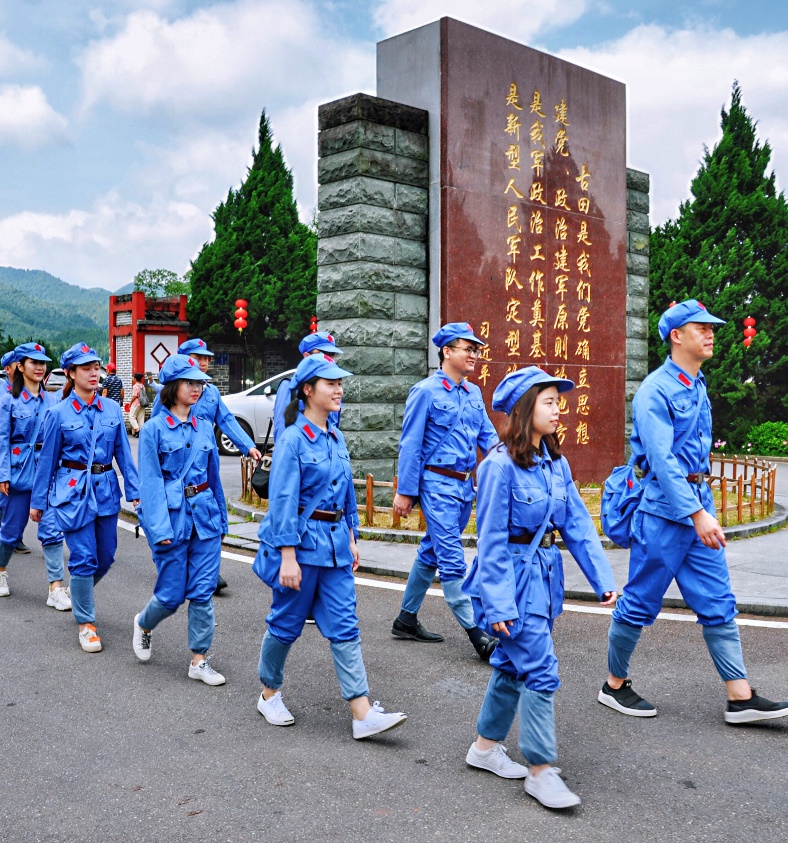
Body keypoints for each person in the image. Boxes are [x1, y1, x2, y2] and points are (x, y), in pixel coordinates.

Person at [600, 300, 788, 725]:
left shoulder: (696, 383)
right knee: (639, 603)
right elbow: (662, 460)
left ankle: (740, 697)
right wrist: (696, 515)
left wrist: (701, 508)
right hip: (662, 514)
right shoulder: (656, 390)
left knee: (717, 601)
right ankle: (614, 685)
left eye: (712, 328)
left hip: (696, 504)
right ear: (676, 336)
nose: (711, 334)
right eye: (701, 328)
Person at [462, 366, 618, 810]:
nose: (558, 410)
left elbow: (578, 525)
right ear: (526, 408)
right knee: (541, 670)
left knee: (513, 667)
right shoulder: (497, 466)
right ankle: (540, 770)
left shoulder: (556, 462)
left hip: (545, 581)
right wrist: (497, 603)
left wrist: (603, 579)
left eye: (558, 401)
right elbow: (489, 541)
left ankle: (484, 749)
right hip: (511, 583)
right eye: (549, 402)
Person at [252, 354, 407, 739]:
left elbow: (347, 494)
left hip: (335, 545)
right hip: (302, 548)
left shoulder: (335, 437)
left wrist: (352, 537)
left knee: (344, 626)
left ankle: (362, 712)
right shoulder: (292, 440)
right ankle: (269, 693)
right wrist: (287, 556)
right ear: (307, 390)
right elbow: (284, 501)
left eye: (340, 383)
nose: (339, 389)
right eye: (330, 383)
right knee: (285, 625)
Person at [391, 322, 501, 658]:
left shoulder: (473, 393)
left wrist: (514, 466)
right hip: (437, 485)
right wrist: (405, 491)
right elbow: (410, 445)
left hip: (465, 486)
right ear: (447, 351)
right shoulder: (425, 392)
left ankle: (406, 619)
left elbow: (489, 438)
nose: (474, 354)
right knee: (452, 559)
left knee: (431, 551)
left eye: (476, 349)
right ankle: (478, 635)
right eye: (467, 348)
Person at [31, 343, 140, 653]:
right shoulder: (57, 413)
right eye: (86, 368)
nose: (94, 373)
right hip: (72, 492)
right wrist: (39, 503)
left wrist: (134, 493)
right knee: (84, 558)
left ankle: (78, 592)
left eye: (96, 367)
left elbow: (123, 454)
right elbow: (47, 462)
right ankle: (86, 624)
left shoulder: (110, 409)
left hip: (105, 490)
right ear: (70, 373)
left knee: (105, 557)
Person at [132, 354, 229, 686]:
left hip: (205, 517)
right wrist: (157, 529)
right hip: (172, 519)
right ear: (172, 387)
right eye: (190, 382)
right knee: (172, 594)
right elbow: (150, 483)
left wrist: (223, 521)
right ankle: (144, 624)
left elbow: (213, 477)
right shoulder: (154, 430)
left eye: (199, 382)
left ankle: (199, 660)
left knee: (202, 591)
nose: (197, 388)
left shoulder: (204, 427)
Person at [150, 338, 262, 594]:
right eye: (198, 358)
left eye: (207, 358)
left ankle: (208, 568)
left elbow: (227, 419)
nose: (204, 363)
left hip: (202, 460)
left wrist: (248, 446)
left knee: (209, 507)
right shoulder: (167, 392)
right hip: (176, 464)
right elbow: (155, 429)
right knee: (180, 515)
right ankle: (178, 564)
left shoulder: (211, 392)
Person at [0, 343, 71, 610]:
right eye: (33, 362)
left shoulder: (53, 400)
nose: (39, 367)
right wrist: (1, 475)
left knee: (52, 532)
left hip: (47, 473)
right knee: (11, 532)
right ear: (20, 366)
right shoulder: (7, 400)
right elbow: (0, 439)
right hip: (19, 473)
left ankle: (55, 588)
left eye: (42, 363)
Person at [0, 351, 30, 553]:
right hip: (5, 453)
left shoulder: (33, 392)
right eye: (17, 365)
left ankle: (16, 535)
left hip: (28, 456)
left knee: (25, 498)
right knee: (6, 498)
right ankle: (2, 528)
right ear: (8, 369)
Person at [270, 331, 344, 440]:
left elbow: (334, 428)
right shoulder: (289, 387)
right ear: (306, 356)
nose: (328, 359)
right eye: (323, 353)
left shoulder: (334, 389)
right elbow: (282, 432)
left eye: (332, 354)